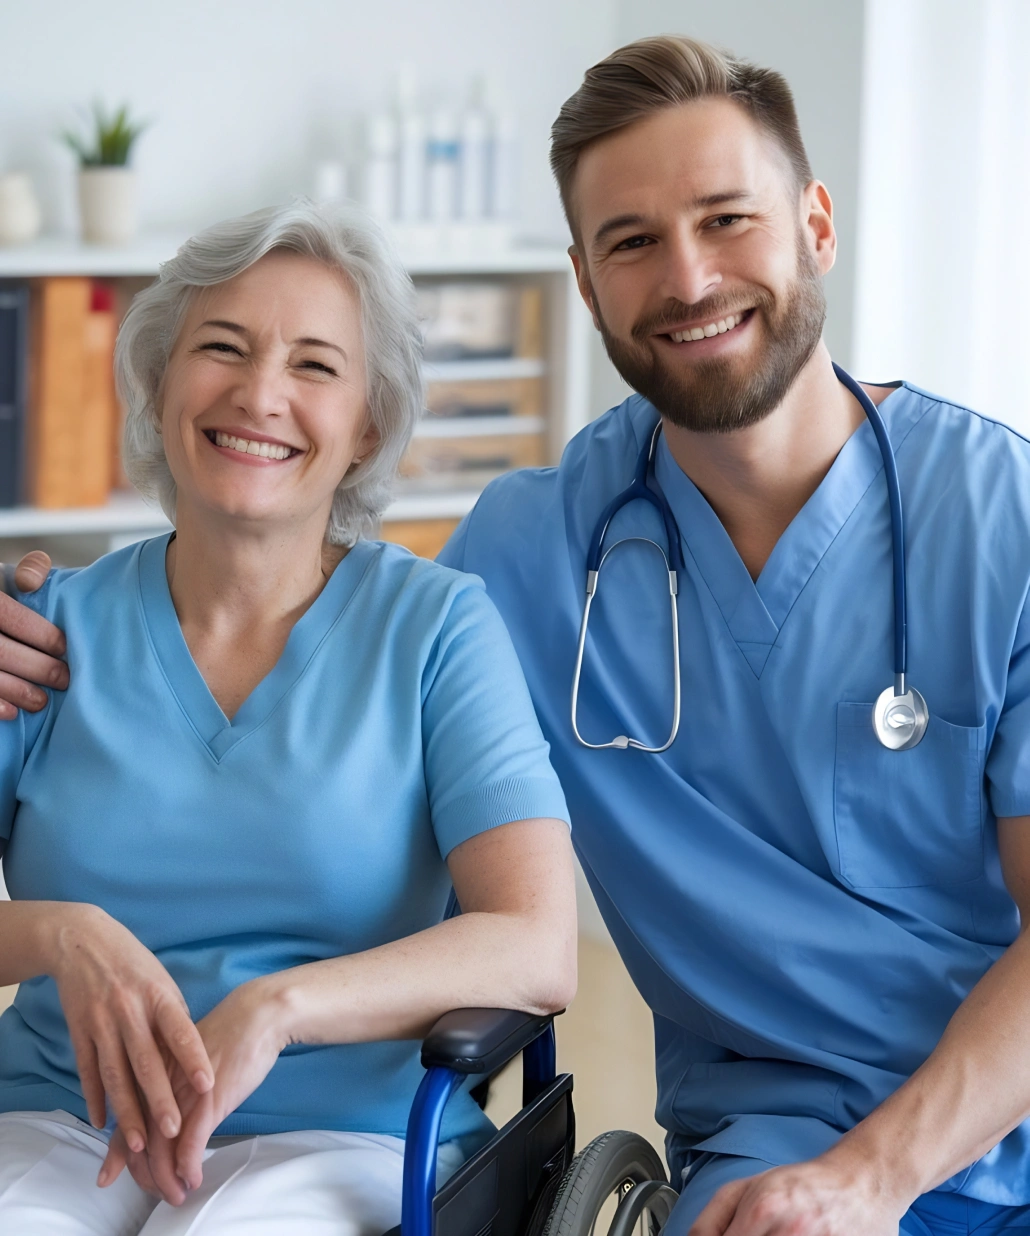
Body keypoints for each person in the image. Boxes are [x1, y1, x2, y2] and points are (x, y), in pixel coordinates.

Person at [6, 34, 1030, 1236]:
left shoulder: (995, 515)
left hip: (987, 1096)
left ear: (815, 223)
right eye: (633, 241)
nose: (689, 279)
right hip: (776, 1136)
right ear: (585, 283)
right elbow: (311, 611)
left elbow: (524, 937)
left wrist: (883, 1174)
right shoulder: (538, 548)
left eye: (725, 219)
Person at [0, 201, 576, 1236]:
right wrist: (58, 933)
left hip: (344, 1134)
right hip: (60, 1121)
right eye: (221, 348)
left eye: (315, 366)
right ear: (158, 382)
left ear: (365, 424)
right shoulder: (40, 630)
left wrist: (280, 1007)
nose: (260, 394)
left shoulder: (438, 629)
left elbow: (536, 944)